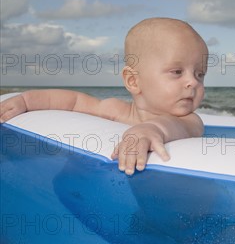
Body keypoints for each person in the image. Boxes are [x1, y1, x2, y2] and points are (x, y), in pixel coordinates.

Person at [0, 18, 208, 175]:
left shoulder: (190, 121)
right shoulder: (116, 111)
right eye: (177, 72)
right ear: (133, 81)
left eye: (200, 74)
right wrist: (26, 101)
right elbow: (74, 102)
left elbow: (171, 127)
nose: (193, 82)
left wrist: (149, 130)